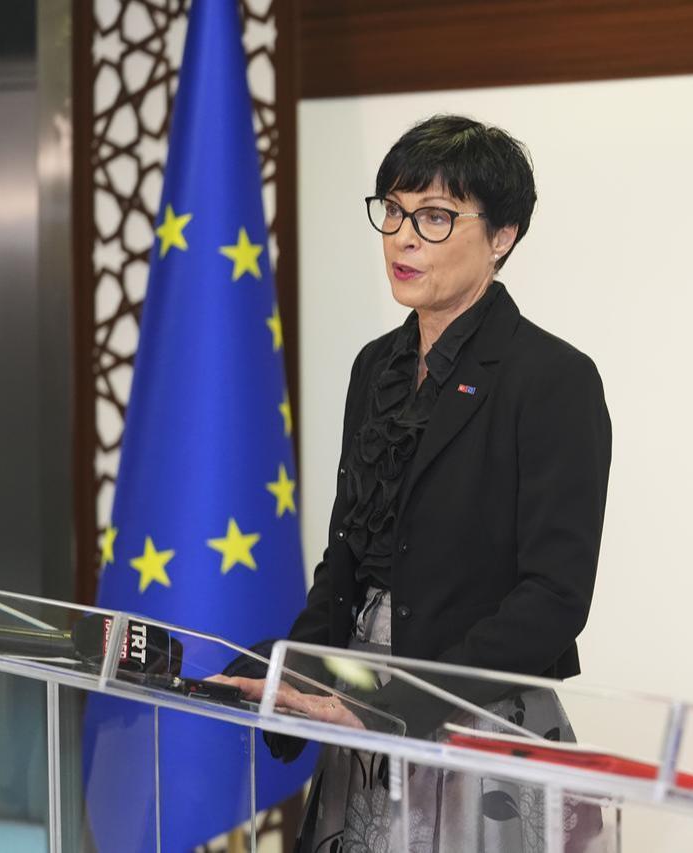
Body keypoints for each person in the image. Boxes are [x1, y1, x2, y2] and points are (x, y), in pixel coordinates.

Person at [222, 115, 612, 852]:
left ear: (503, 237)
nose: (403, 237)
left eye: (434, 217)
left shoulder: (553, 379)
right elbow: (346, 558)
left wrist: (398, 700)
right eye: (394, 211)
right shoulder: (377, 367)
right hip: (362, 715)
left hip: (476, 719)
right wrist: (294, 676)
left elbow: (556, 597)